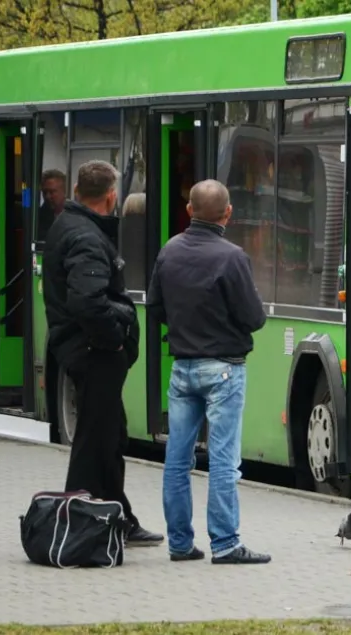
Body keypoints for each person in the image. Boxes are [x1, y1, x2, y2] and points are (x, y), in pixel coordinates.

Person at [147, 179, 270, 565]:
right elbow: (253, 318)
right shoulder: (232, 258)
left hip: (182, 367)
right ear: (228, 213)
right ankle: (226, 544)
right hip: (224, 370)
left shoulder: (169, 252)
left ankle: (180, 544)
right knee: (222, 460)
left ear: (189, 210)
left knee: (177, 460)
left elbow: (155, 308)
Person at [42, 160, 163, 548]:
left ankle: (117, 517)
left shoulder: (68, 225)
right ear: (112, 196)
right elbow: (88, 301)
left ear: (77, 190)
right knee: (96, 439)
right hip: (93, 351)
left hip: (84, 348)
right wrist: (116, 336)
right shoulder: (87, 238)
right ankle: (78, 519)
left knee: (110, 435)